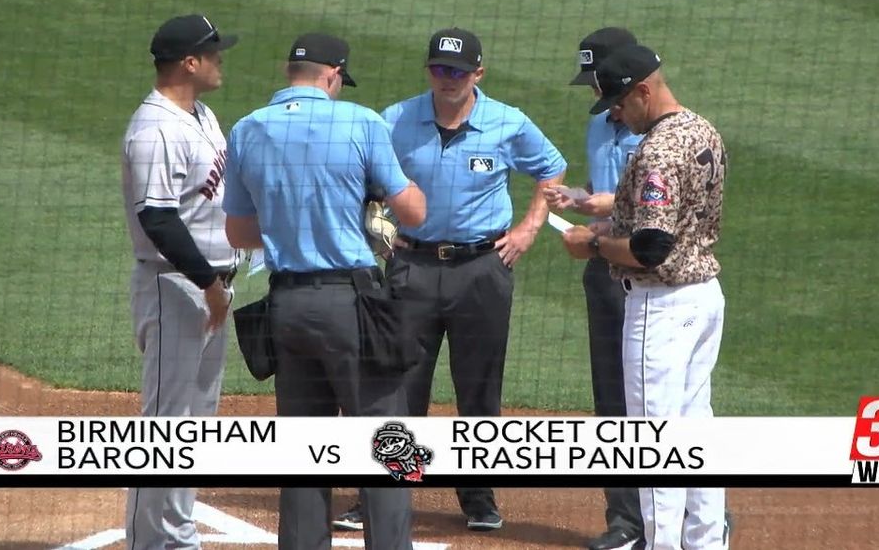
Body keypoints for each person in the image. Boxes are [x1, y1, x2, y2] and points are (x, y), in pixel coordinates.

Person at [333, 27, 568, 533]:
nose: (448, 79)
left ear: (477, 73)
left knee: (479, 387)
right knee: (398, 385)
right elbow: (356, 173)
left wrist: (528, 230)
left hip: (482, 270)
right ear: (429, 70)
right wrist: (374, 222)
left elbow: (552, 170)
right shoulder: (395, 119)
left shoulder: (508, 122)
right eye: (440, 68)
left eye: (458, 71)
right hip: (411, 267)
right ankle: (390, 490)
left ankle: (478, 497)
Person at [221, 33, 427, 550]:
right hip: (349, 306)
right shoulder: (360, 122)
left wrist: (294, 219)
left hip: (287, 306)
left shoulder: (247, 129)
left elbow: (239, 234)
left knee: (304, 452)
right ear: (333, 74)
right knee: (388, 445)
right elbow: (414, 213)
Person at [561, 44, 730, 550]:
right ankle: (706, 543)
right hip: (703, 298)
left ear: (643, 91)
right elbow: (675, 221)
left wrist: (592, 242)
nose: (613, 112)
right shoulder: (702, 130)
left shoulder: (657, 150)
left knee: (653, 441)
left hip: (661, 307)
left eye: (618, 102)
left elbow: (651, 248)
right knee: (695, 430)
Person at [120, 13, 240, 550]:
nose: (220, 61)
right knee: (167, 426)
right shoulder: (155, 129)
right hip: (175, 287)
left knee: (196, 422)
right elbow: (158, 217)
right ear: (189, 62)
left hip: (208, 287)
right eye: (213, 53)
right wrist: (208, 281)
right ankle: (158, 543)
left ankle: (174, 534)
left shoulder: (201, 114)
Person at [544, 27, 645, 550]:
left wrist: (596, 211)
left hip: (648, 279)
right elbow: (605, 192)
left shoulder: (660, 133)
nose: (594, 90)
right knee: (612, 400)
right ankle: (627, 522)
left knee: (657, 401)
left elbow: (644, 203)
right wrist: (577, 196)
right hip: (603, 273)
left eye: (601, 79)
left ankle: (697, 513)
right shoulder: (601, 126)